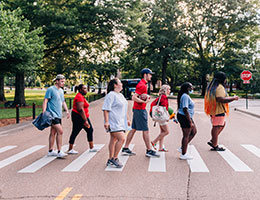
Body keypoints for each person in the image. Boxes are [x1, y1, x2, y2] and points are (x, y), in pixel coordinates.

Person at [122, 68, 159, 157]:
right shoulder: (142, 85)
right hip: (140, 110)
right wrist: (144, 102)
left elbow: (138, 96)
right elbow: (134, 97)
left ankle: (126, 148)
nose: (151, 76)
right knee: (145, 130)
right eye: (150, 74)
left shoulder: (144, 84)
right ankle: (149, 150)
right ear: (145, 75)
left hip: (138, 109)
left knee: (133, 129)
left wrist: (146, 97)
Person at [204, 71, 239, 151]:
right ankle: (214, 144)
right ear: (222, 79)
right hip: (218, 110)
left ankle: (213, 141)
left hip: (213, 109)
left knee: (220, 125)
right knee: (217, 127)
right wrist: (233, 98)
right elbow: (221, 99)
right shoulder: (219, 87)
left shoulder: (212, 87)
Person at [102, 78, 130, 168]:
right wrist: (106, 121)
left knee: (113, 140)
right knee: (122, 139)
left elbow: (124, 108)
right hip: (113, 122)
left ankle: (110, 159)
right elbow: (106, 109)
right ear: (115, 85)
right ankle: (114, 158)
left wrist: (127, 119)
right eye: (120, 83)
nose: (121, 84)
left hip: (120, 121)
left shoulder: (120, 95)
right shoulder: (111, 95)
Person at [42, 74, 70, 158]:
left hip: (59, 115)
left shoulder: (61, 91)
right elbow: (45, 100)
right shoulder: (51, 89)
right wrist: (44, 112)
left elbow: (62, 101)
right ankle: (59, 151)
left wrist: (67, 111)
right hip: (52, 115)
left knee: (53, 132)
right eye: (61, 81)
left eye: (64, 81)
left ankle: (50, 150)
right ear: (57, 81)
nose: (63, 83)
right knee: (60, 131)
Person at [67, 84, 96, 154]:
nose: (86, 90)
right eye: (85, 88)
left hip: (82, 116)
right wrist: (85, 120)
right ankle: (70, 149)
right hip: (79, 116)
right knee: (76, 131)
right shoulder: (79, 97)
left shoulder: (81, 96)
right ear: (80, 90)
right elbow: (80, 109)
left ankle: (91, 147)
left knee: (89, 130)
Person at [177, 82, 197, 160]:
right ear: (187, 88)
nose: (192, 88)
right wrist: (190, 121)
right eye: (191, 87)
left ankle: (183, 147)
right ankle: (183, 154)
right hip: (184, 117)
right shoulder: (185, 96)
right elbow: (185, 109)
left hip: (187, 117)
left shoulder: (186, 95)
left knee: (194, 132)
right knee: (186, 135)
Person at [150, 84, 171, 152]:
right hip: (162, 117)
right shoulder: (164, 97)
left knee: (162, 132)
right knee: (167, 131)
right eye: (168, 89)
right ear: (165, 90)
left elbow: (152, 104)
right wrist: (168, 116)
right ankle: (154, 142)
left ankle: (160, 147)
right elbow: (165, 108)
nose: (169, 91)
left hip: (159, 116)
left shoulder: (160, 97)